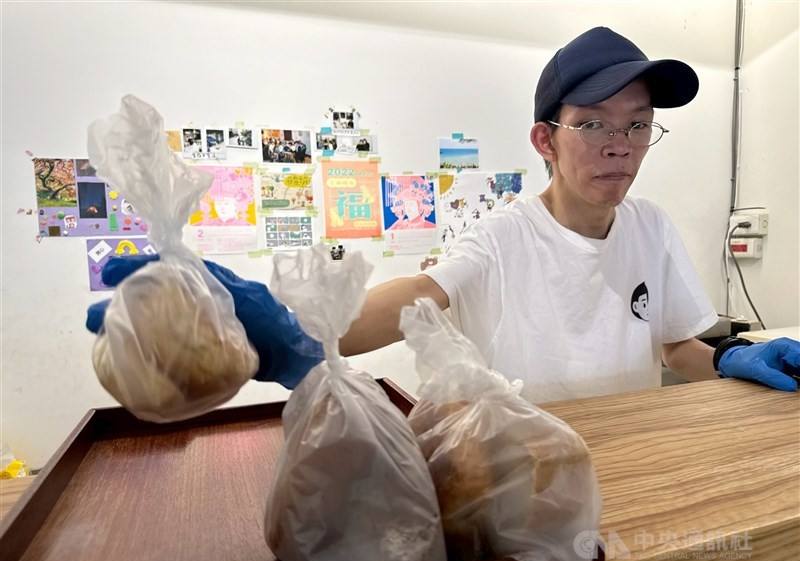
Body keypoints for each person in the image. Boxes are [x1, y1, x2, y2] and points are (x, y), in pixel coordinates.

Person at [87, 27, 800, 397]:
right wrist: (291, 322)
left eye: (638, 124)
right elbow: (415, 297)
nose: (621, 146)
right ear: (545, 140)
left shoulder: (652, 226)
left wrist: (736, 356)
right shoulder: (500, 235)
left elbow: (675, 345)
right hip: (527, 470)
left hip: (631, 458)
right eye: (595, 124)